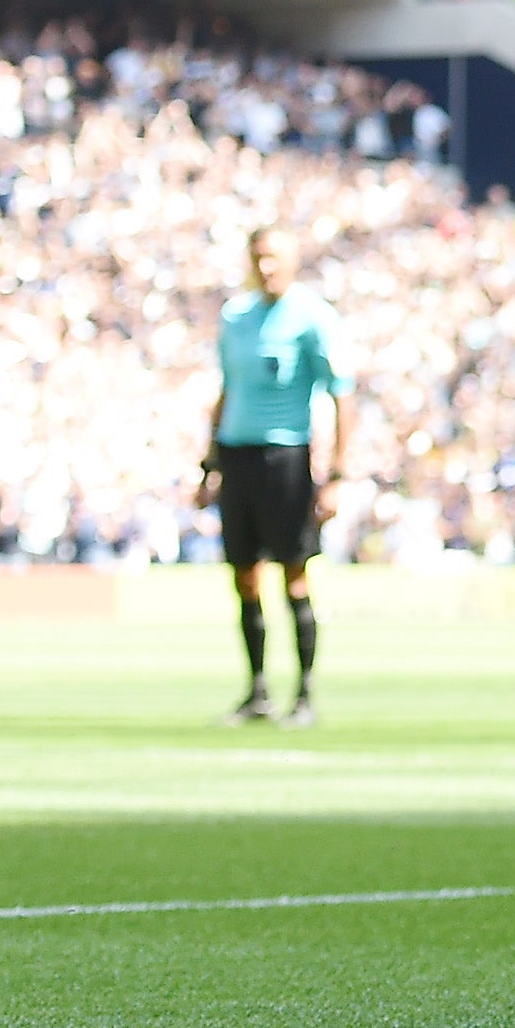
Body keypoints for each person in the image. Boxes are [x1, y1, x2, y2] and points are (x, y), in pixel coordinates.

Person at [203, 226, 354, 727]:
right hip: (237, 455)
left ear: (293, 260)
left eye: (275, 258)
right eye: (259, 258)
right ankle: (258, 691)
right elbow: (226, 389)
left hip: (286, 456)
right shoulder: (236, 317)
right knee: (244, 577)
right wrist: (209, 463)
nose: (266, 267)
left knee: (293, 572)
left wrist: (337, 473)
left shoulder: (312, 317)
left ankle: (305, 693)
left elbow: (341, 392)